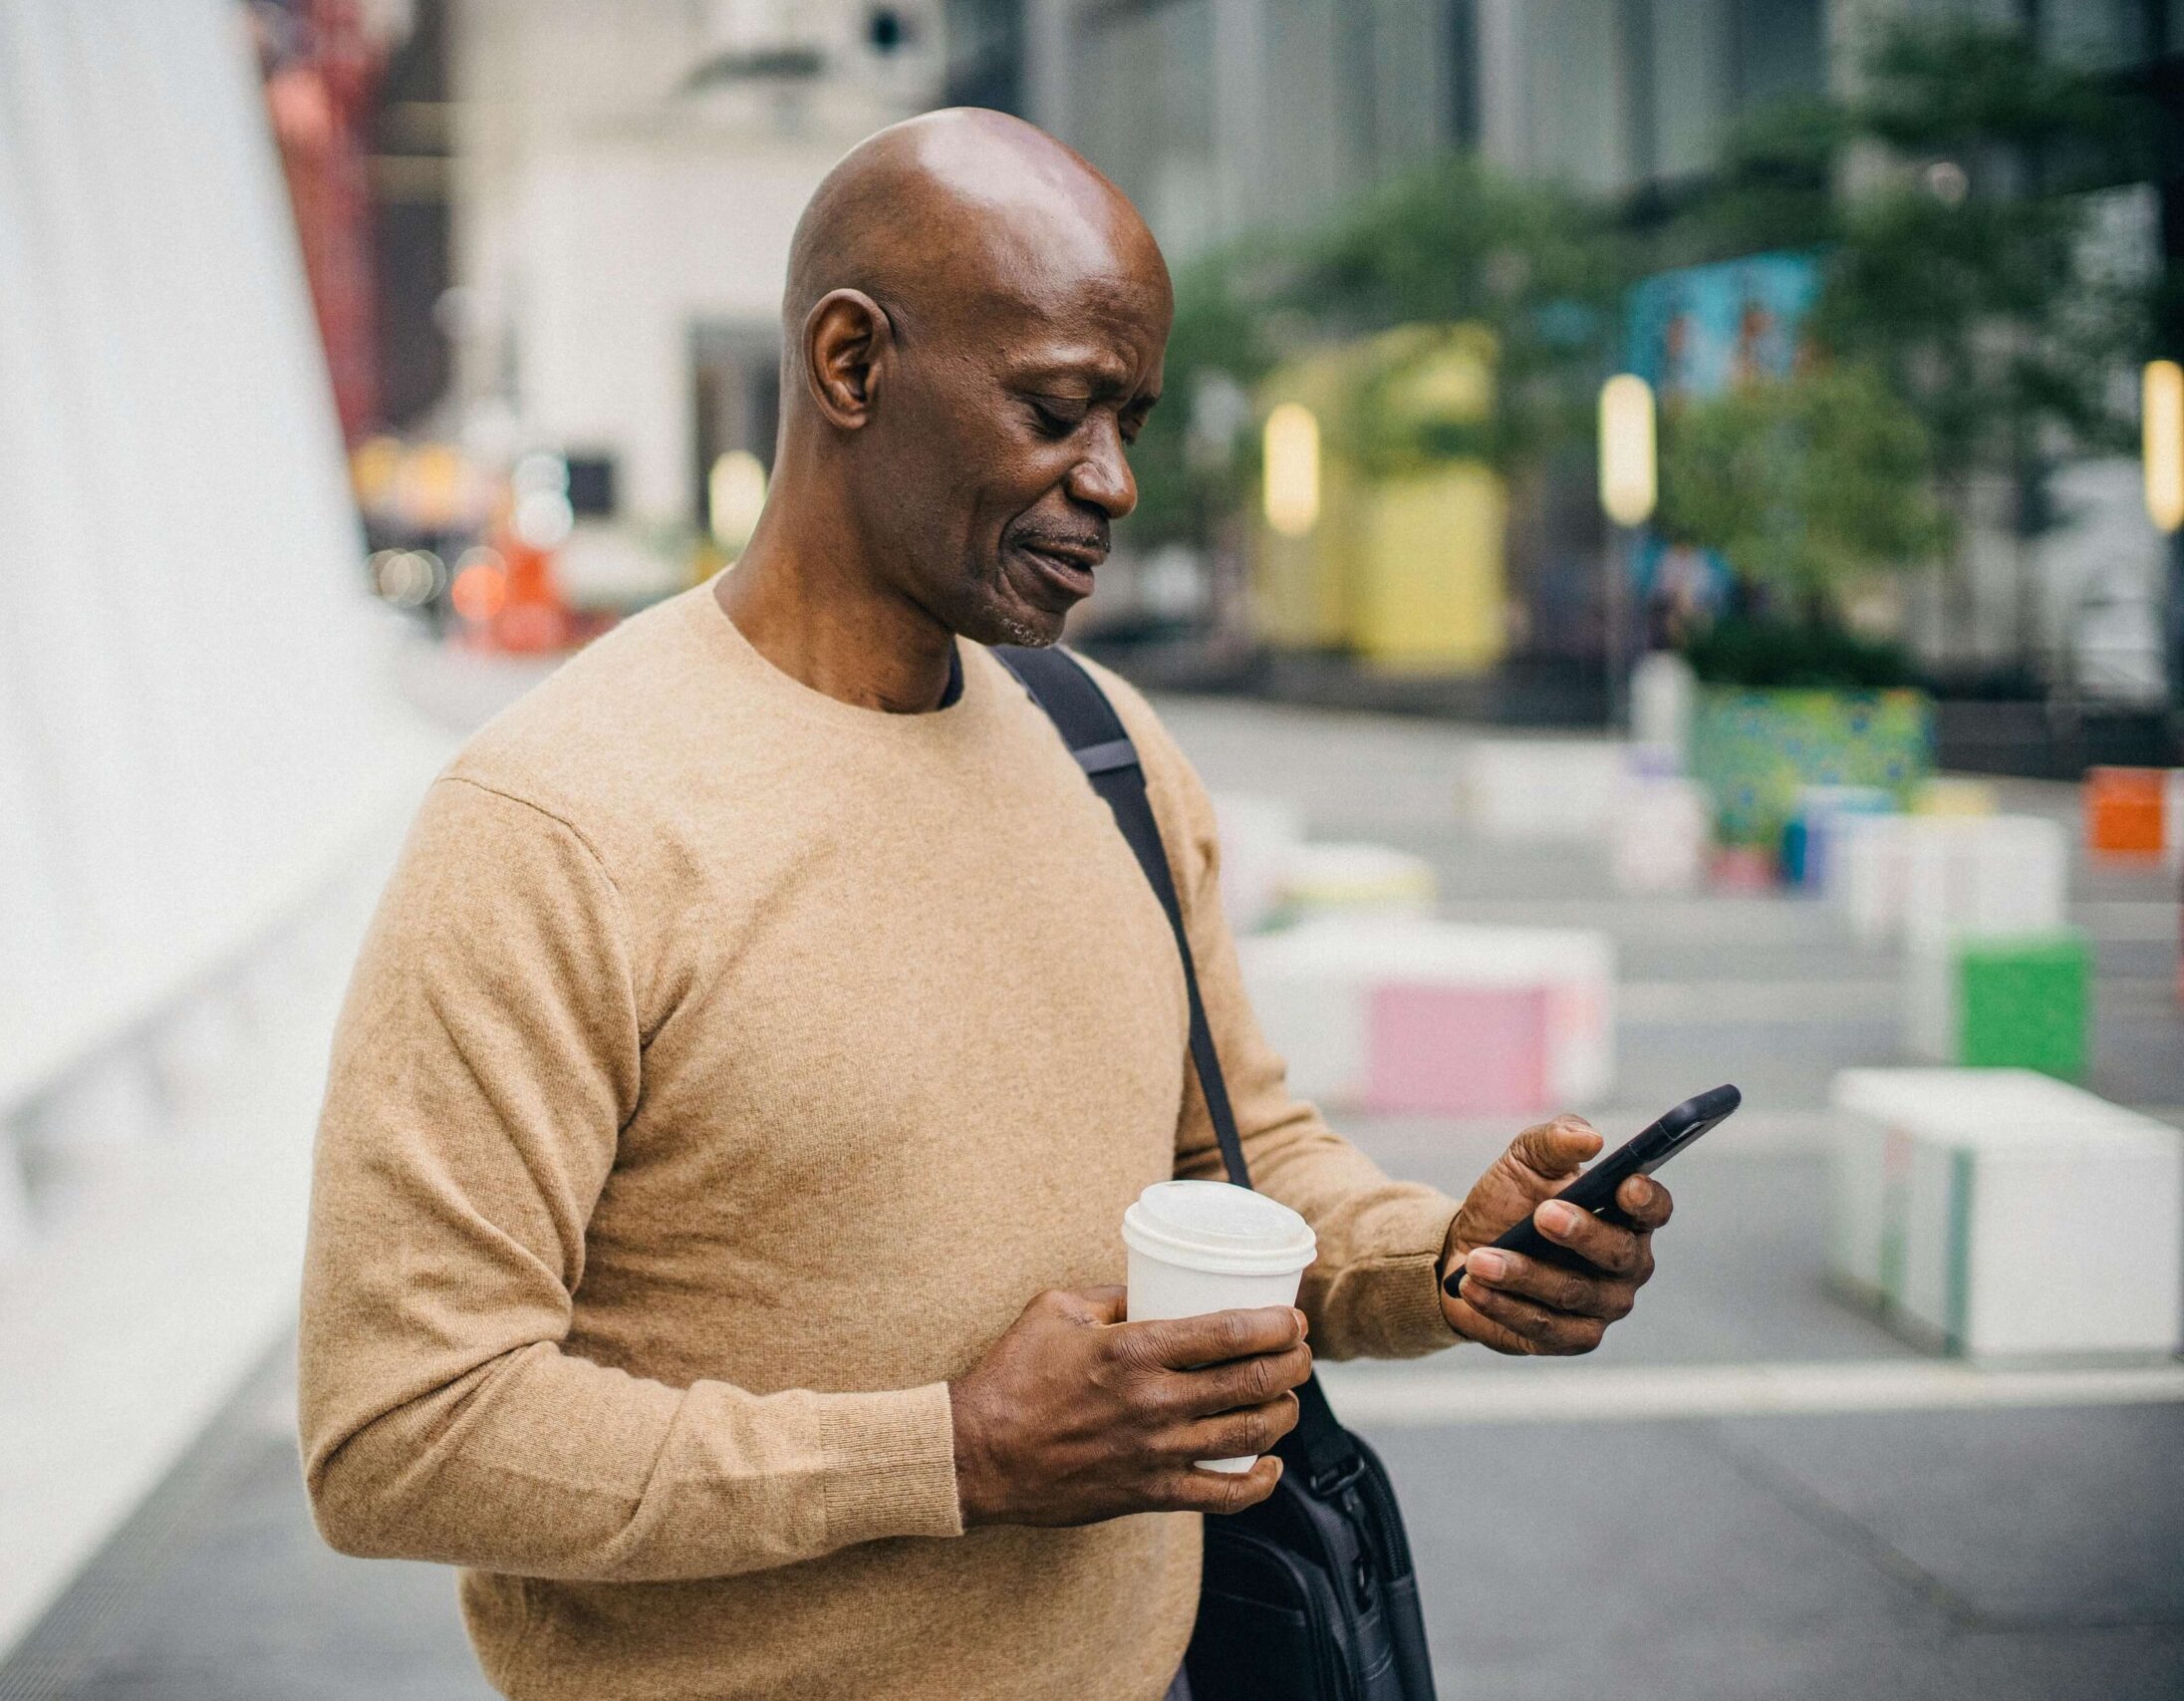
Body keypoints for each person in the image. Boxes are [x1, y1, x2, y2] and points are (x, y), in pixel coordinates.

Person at [298, 109, 1673, 1701]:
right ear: (851, 365)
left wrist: (1452, 1260)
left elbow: (1234, 1159)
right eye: (1058, 409)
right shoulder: (557, 824)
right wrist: (952, 1450)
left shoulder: (1105, 750)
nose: (1115, 483)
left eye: (1132, 422)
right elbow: (403, 1432)